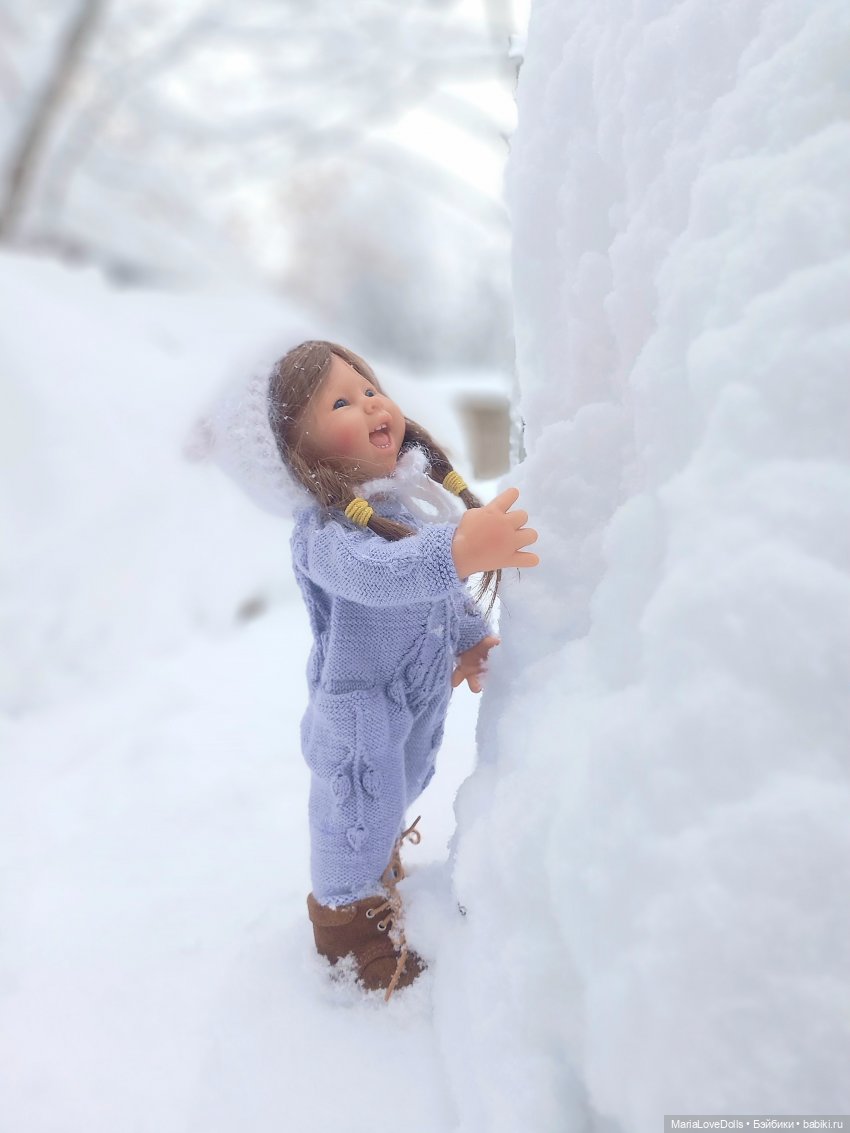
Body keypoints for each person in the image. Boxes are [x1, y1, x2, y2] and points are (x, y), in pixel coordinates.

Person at [195, 339, 539, 999]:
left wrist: (470, 636)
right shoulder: (325, 535)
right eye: (342, 401)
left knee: (398, 788)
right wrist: (461, 547)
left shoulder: (398, 505)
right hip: (358, 715)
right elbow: (386, 575)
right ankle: (348, 927)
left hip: (406, 698)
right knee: (353, 812)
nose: (373, 403)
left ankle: (378, 863)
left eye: (370, 387)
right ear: (299, 450)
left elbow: (435, 593)